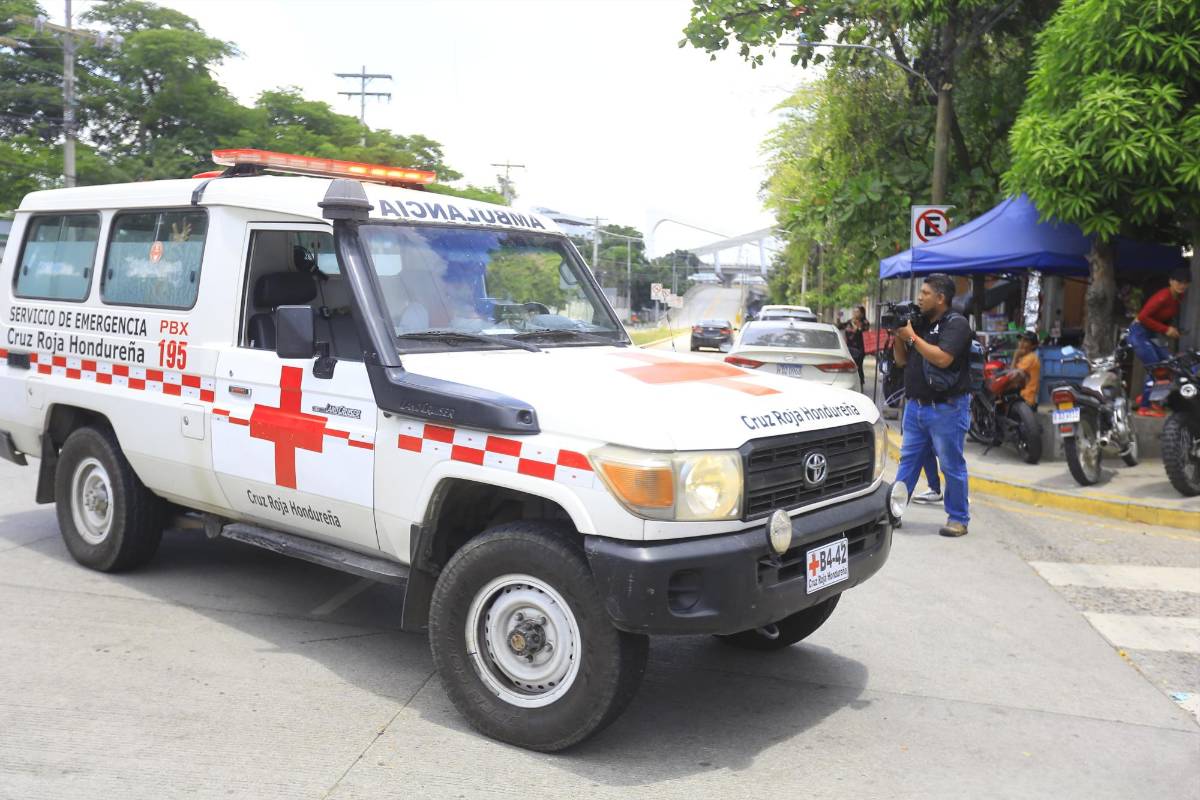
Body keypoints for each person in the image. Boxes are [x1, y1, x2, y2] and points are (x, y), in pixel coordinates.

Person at [892, 274, 974, 537]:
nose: (919, 297)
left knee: (951, 465)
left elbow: (942, 359)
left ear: (940, 298)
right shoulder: (919, 324)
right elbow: (902, 361)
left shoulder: (956, 324)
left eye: (925, 293)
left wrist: (913, 337)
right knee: (908, 463)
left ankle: (958, 519)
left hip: (947, 409)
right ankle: (893, 513)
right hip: (915, 407)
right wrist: (898, 335)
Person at [1129, 268, 1191, 414]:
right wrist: (1165, 330)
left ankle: (1151, 399)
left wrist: (1171, 329)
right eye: (1178, 281)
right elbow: (1143, 317)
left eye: (1185, 283)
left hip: (1150, 333)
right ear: (1171, 281)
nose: (1182, 285)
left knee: (1170, 364)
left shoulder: (1178, 298)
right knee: (1156, 368)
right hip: (1138, 333)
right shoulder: (1163, 296)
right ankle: (1144, 407)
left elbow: (1161, 319)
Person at [837, 306, 870, 391]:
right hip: (849, 347)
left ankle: (860, 383)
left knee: (858, 366)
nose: (855, 314)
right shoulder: (849, 322)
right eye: (854, 312)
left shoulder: (865, 323)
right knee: (850, 366)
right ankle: (850, 383)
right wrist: (838, 318)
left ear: (862, 313)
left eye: (857, 312)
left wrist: (855, 325)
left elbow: (861, 332)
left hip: (860, 348)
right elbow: (840, 326)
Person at [1012, 330, 1041, 409]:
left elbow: (1011, 376)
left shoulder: (1030, 358)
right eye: (1020, 340)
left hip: (1025, 399)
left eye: (1025, 341)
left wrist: (1015, 357)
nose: (1021, 343)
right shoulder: (1025, 357)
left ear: (1033, 346)